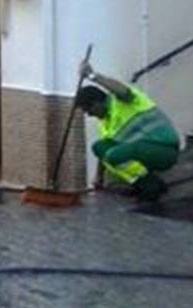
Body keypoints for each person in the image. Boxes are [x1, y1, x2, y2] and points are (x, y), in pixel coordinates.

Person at [77, 60, 180, 202]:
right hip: (141, 152)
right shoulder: (105, 123)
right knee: (100, 147)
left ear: (96, 103)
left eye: (89, 110)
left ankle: (149, 185)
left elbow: (122, 90)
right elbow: (104, 156)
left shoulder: (124, 101)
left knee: (118, 153)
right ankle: (145, 183)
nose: (89, 115)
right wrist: (98, 177)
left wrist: (93, 76)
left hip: (165, 150)